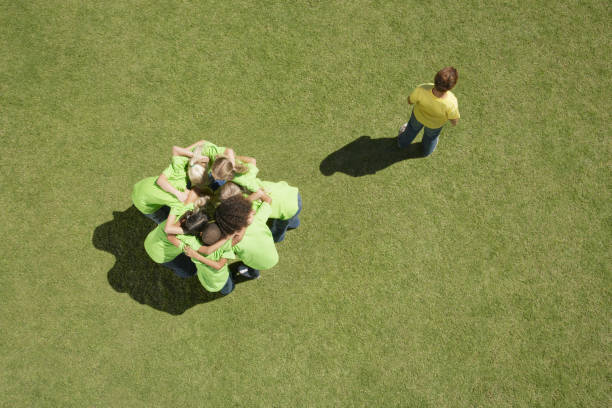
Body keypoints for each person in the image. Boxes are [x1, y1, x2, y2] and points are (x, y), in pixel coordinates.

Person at [217, 183, 278, 279]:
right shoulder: (256, 219)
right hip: (273, 256)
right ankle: (254, 273)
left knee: (253, 266)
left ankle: (254, 274)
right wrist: (253, 197)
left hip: (254, 262)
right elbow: (268, 200)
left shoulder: (231, 237)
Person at [397, 67, 460, 157]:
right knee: (431, 138)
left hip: (417, 117)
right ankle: (426, 152)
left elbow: (409, 101)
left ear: (435, 78)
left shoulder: (423, 88)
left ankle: (402, 144)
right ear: (451, 86)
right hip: (435, 125)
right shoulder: (451, 102)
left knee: (411, 129)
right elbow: (454, 122)